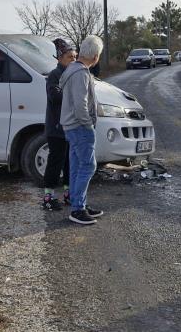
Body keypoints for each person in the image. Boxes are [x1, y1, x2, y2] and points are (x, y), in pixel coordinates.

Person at [59, 35, 106, 226]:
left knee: (78, 166)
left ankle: (80, 204)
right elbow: (81, 104)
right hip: (79, 127)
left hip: (72, 126)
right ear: (95, 56)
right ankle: (78, 209)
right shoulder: (80, 73)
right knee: (88, 166)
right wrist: (88, 124)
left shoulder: (73, 69)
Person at [41, 38, 76, 211]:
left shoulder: (72, 73)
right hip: (56, 128)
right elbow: (55, 97)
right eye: (70, 57)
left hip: (69, 126)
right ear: (60, 58)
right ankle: (48, 197)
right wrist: (72, 94)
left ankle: (68, 194)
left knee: (70, 162)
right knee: (55, 162)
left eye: (75, 56)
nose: (73, 60)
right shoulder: (55, 74)